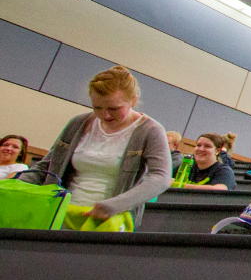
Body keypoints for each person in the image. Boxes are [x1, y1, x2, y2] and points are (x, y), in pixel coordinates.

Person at [19, 66, 171, 231]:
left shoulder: (150, 130)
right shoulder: (78, 123)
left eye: (114, 108)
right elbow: (46, 166)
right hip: (60, 211)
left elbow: (160, 178)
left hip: (108, 221)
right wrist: (12, 185)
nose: (105, 115)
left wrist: (115, 205)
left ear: (133, 100)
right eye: (97, 107)